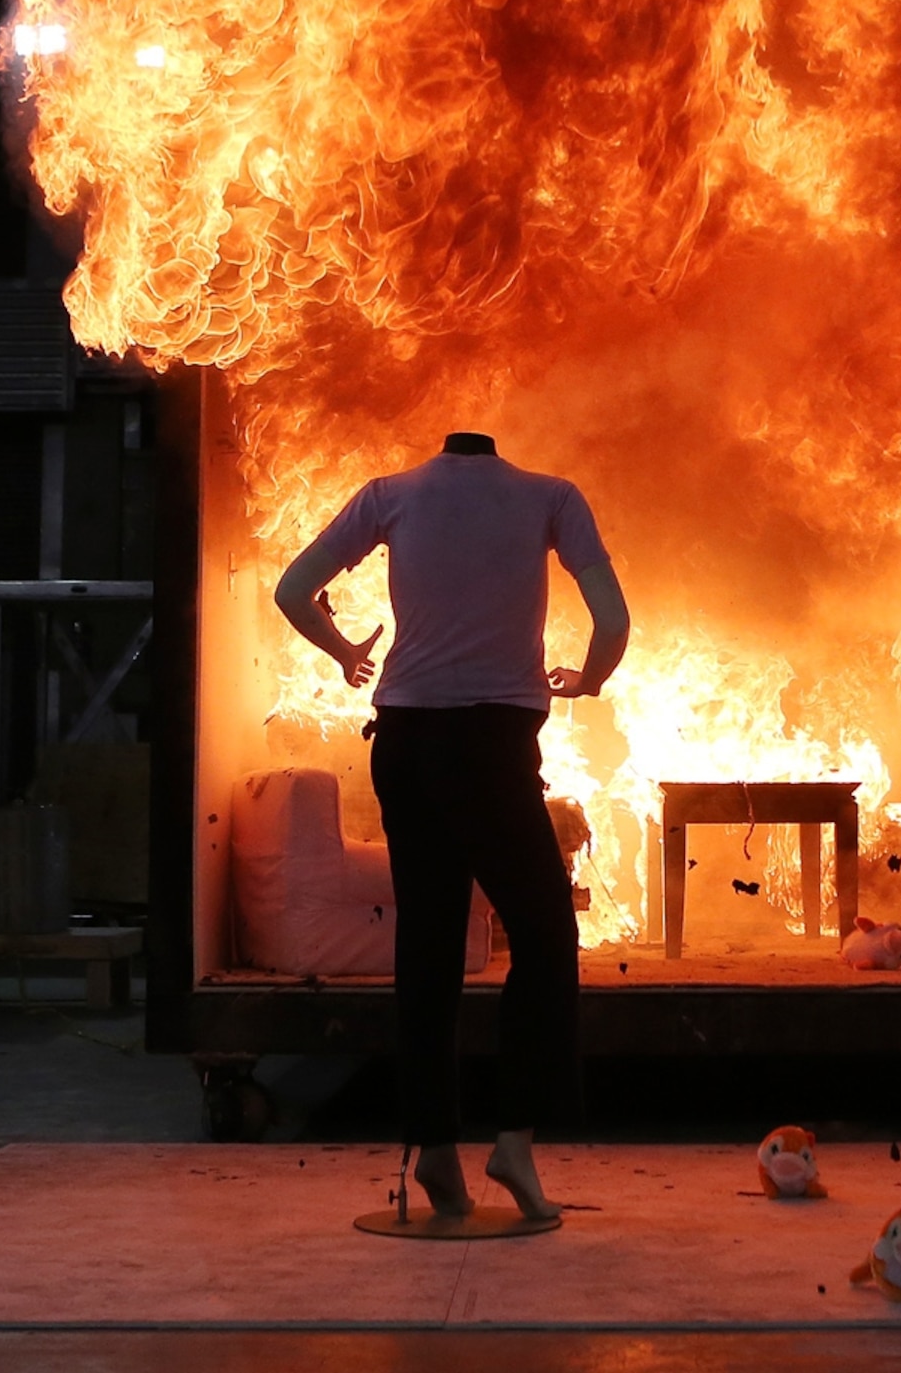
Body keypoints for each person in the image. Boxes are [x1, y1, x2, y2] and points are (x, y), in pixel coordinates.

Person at [272, 430, 629, 1222]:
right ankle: (514, 1140)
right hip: (493, 749)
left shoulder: (389, 493)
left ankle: (434, 1148)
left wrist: (341, 650)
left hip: (404, 743)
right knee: (543, 935)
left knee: (428, 945)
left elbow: (293, 589)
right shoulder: (550, 495)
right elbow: (613, 619)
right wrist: (588, 680)